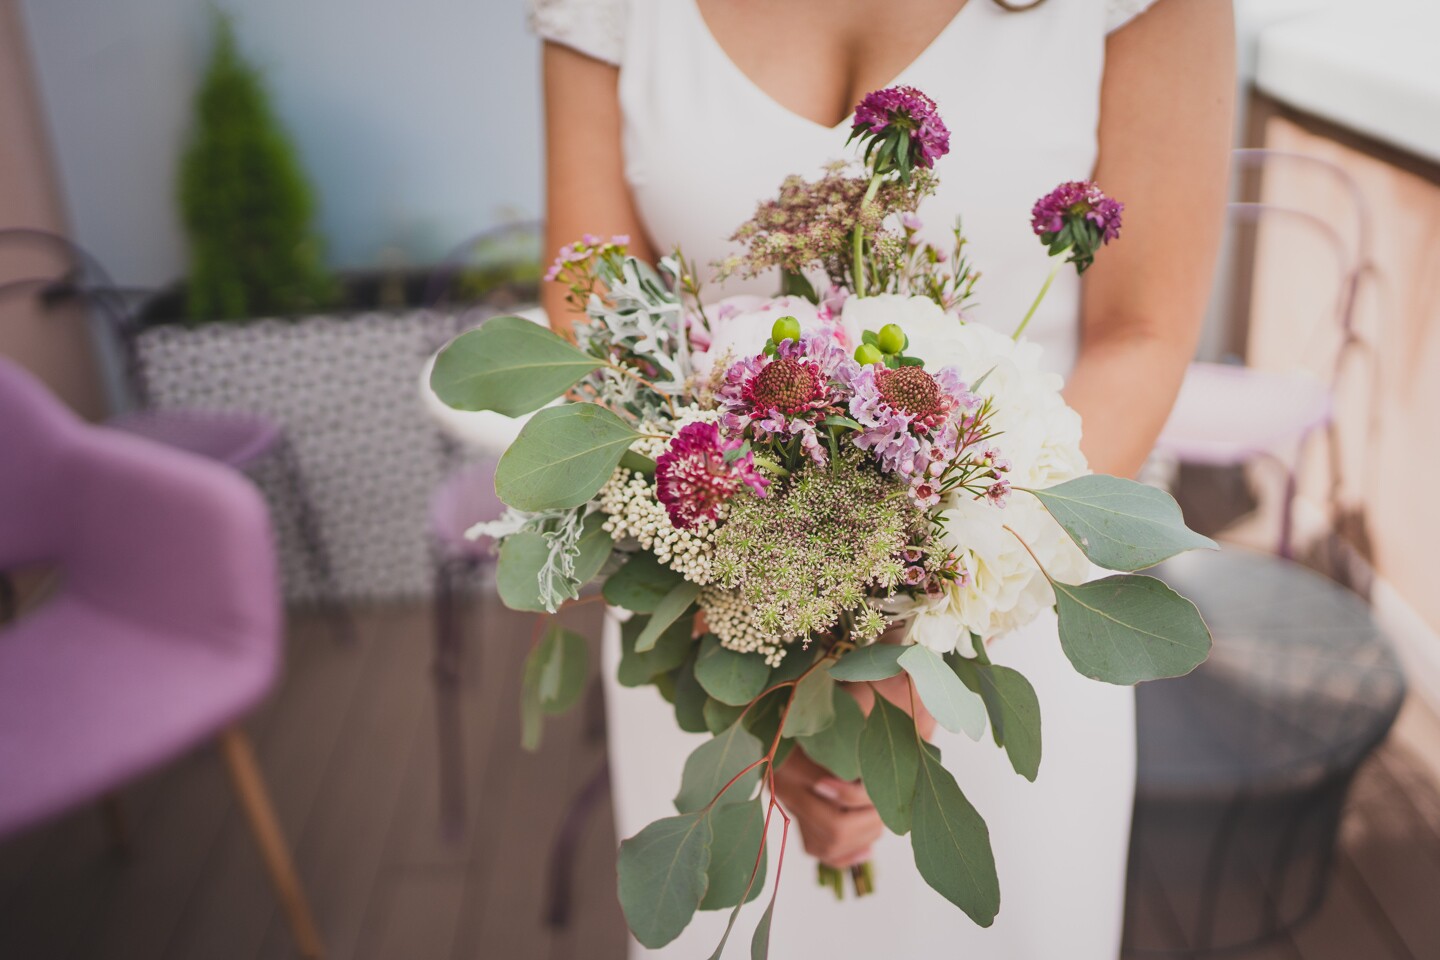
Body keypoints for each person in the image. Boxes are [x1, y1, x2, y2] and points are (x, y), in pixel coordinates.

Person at [532, 0, 1235, 956]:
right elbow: (593, 311)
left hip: (1009, 606)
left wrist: (920, 630)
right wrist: (772, 670)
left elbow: (1141, 334)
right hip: (719, 639)